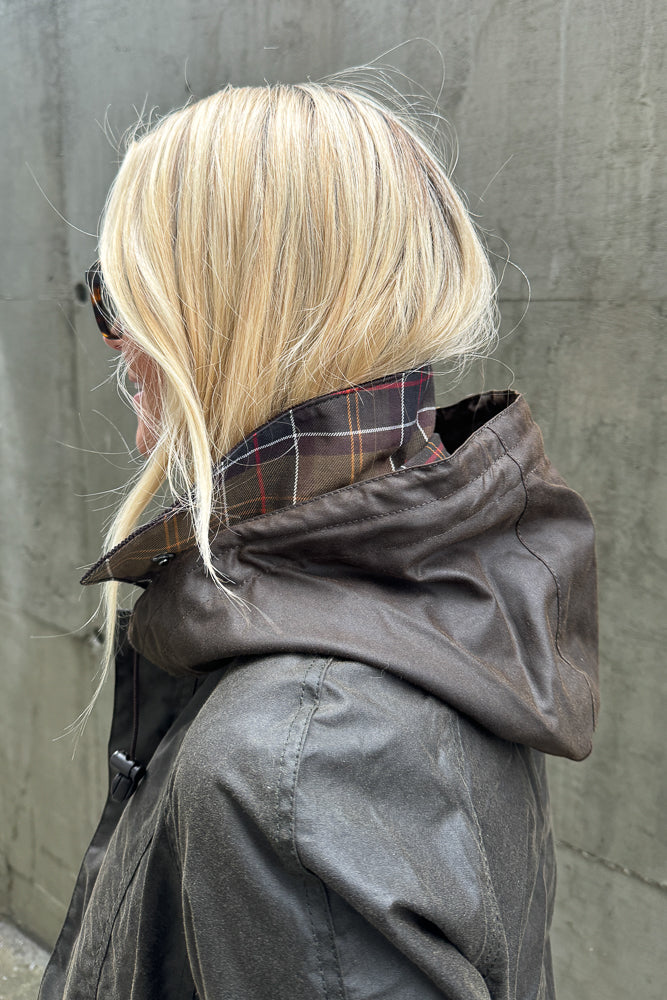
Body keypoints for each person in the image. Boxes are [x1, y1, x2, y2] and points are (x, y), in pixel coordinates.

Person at [39, 83, 598, 1000]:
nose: (115, 343)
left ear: (218, 324)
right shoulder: (454, 588)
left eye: (122, 299)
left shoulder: (293, 766)